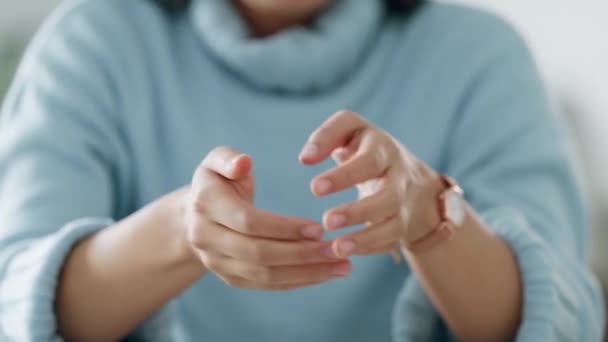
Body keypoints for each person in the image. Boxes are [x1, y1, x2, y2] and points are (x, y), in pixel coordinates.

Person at [0, 0, 604, 340]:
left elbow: (564, 326)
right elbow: (12, 306)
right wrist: (182, 229)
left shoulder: (481, 55)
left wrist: (429, 218)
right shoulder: (89, 42)